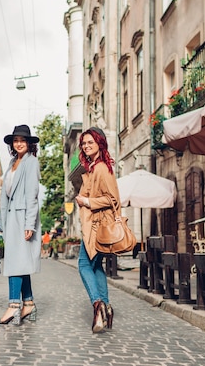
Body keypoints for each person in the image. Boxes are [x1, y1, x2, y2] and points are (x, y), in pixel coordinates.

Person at [74, 127, 120, 333]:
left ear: (100, 143)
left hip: (97, 226)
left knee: (84, 264)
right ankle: (107, 308)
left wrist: (86, 201)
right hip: (94, 225)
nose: (86, 146)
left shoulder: (101, 167)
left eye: (90, 142)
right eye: (84, 143)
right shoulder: (93, 168)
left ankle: (97, 304)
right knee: (96, 266)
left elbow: (113, 200)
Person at [0, 124, 41, 325]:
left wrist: (29, 224)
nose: (19, 143)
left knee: (14, 263)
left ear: (29, 143)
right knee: (19, 262)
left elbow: (32, 194)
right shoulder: (13, 162)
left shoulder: (31, 162)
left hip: (23, 219)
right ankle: (28, 303)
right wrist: (1, 221)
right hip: (11, 219)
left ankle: (14, 305)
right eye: (16, 140)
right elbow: (5, 193)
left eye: (23, 140)